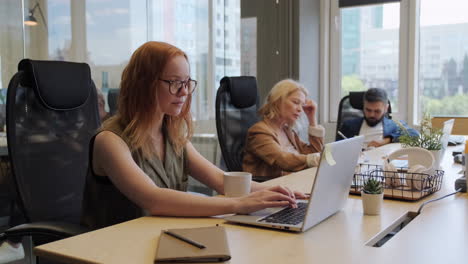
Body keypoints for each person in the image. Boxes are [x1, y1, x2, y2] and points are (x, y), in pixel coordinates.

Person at [80, 41, 306, 230]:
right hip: (115, 248)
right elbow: (153, 199)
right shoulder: (109, 141)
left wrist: (277, 193)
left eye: (187, 82)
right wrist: (240, 204)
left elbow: (220, 180)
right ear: (144, 84)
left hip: (163, 236)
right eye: (175, 82)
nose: (184, 92)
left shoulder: (173, 135)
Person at [242, 79, 325, 179]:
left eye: (302, 105)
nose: (300, 109)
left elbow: (314, 153)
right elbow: (282, 160)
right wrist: (313, 159)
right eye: (295, 102)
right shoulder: (259, 132)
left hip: (293, 184)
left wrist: (312, 119)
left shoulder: (288, 131)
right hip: (271, 188)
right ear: (277, 101)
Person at [338, 88, 418, 147]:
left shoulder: (393, 125)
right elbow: (336, 152)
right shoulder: (348, 125)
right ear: (363, 105)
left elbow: (415, 135)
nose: (372, 115)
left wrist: (386, 140)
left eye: (377, 111)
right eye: (368, 110)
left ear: (386, 108)